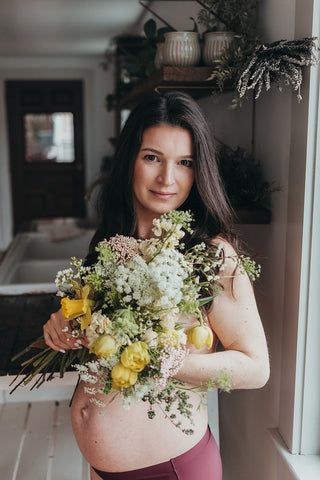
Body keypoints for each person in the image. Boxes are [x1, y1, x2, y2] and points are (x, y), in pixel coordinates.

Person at [43, 91, 269, 480]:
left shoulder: (210, 256)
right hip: (104, 470)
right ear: (129, 160)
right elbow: (102, 348)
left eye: (185, 163)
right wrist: (65, 326)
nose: (168, 178)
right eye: (152, 158)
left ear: (199, 172)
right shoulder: (112, 245)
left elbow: (255, 368)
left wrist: (170, 362)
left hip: (169, 471)